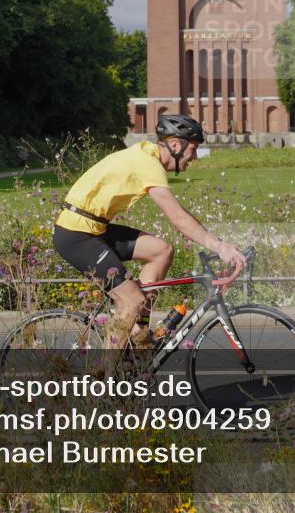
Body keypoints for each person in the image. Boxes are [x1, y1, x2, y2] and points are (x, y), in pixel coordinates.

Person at [53, 114, 246, 374]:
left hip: (94, 228)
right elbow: (177, 216)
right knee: (130, 301)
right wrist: (220, 247)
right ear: (175, 145)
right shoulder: (148, 163)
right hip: (76, 234)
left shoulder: (146, 156)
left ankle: (138, 337)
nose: (195, 156)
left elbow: (179, 217)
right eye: (193, 148)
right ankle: (102, 384)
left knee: (162, 250)